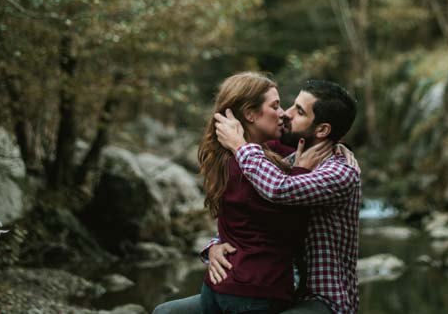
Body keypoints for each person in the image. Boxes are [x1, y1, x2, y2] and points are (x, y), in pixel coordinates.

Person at [154, 79, 361, 314]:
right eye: (287, 105)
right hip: (274, 286)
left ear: (322, 130)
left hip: (320, 298)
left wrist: (240, 145)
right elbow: (250, 214)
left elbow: (280, 190)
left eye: (299, 111)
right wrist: (215, 245)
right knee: (166, 312)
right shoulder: (288, 157)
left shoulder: (341, 172)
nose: (286, 114)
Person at [195, 72, 327, 314]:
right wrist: (300, 171)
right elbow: (293, 227)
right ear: (250, 114)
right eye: (275, 106)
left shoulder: (229, 157)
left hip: (219, 288)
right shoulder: (247, 169)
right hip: (254, 294)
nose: (283, 113)